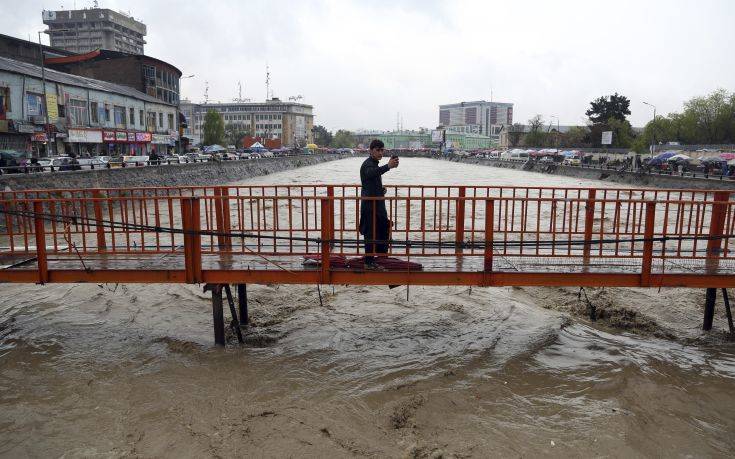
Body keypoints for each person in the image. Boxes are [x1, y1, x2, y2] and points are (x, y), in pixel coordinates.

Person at [359, 139, 399, 267]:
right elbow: (371, 173)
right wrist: (388, 166)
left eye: (382, 150)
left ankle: (381, 259)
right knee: (370, 233)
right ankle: (369, 261)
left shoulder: (374, 163)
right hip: (370, 206)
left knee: (382, 230)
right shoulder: (367, 164)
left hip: (377, 205)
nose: (381, 152)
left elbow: (371, 180)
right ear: (371, 151)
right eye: (378, 150)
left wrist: (381, 189)